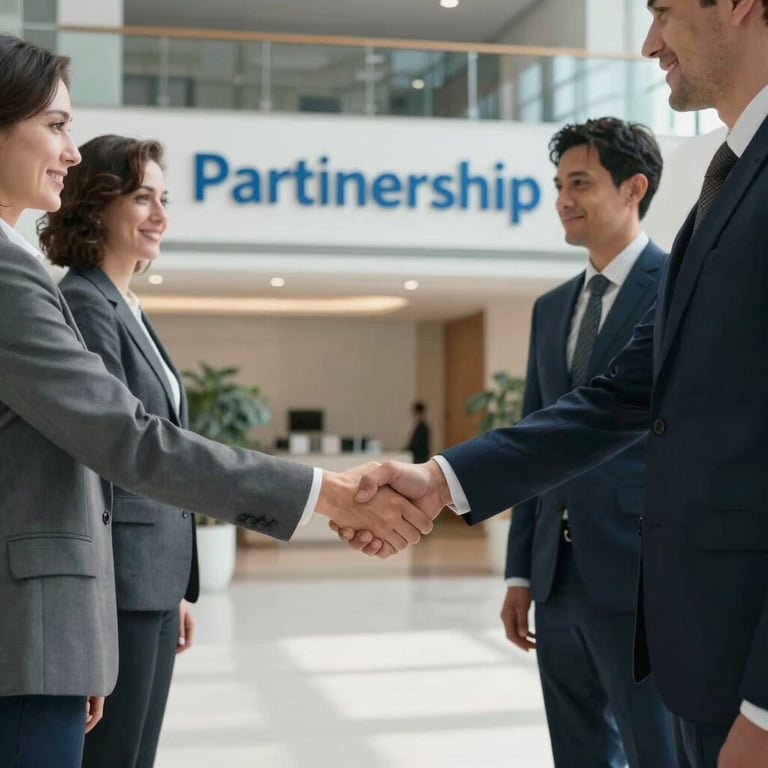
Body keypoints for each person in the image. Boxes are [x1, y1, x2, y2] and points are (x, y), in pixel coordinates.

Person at [346, 2, 768, 766]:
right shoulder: (723, 186)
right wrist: (442, 479)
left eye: (664, 10)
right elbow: (618, 396)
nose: (648, 43)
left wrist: (767, 710)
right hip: (703, 650)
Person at [0, 34, 430, 768]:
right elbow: (126, 441)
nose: (69, 153)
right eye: (56, 125)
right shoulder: (21, 282)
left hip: (64, 622)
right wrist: (327, 494)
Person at [501, 117, 674, 768]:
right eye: (557, 184)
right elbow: (532, 442)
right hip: (556, 579)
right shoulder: (552, 307)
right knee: (576, 751)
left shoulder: (678, 285)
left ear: (634, 189)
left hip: (641, 578)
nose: (562, 200)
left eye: (579, 182)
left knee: (654, 748)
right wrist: (521, 571)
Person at [39, 135, 195, 768]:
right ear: (97, 206)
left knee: (136, 756)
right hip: (118, 586)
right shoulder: (83, 302)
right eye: (142, 198)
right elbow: (111, 456)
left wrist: (180, 587)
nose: (160, 214)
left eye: (163, 199)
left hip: (153, 581)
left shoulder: (125, 304)